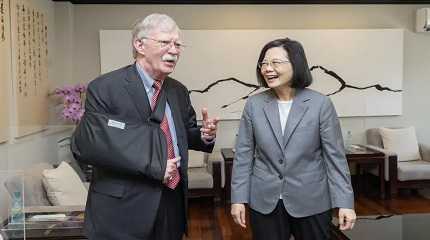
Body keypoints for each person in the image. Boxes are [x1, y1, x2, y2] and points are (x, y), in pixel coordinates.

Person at [71, 13, 219, 240]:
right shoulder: (105, 87)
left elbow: (185, 134)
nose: (174, 50)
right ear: (139, 45)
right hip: (122, 208)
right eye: (165, 42)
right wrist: (155, 165)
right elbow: (93, 145)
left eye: (178, 44)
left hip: (171, 200)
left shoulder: (178, 90)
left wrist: (205, 135)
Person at [230, 38, 356, 240]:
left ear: (296, 65)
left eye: (275, 63)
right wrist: (238, 199)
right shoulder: (254, 104)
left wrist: (345, 202)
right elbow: (243, 156)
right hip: (264, 201)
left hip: (311, 200)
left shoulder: (320, 104)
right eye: (264, 63)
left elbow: (335, 158)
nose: (267, 69)